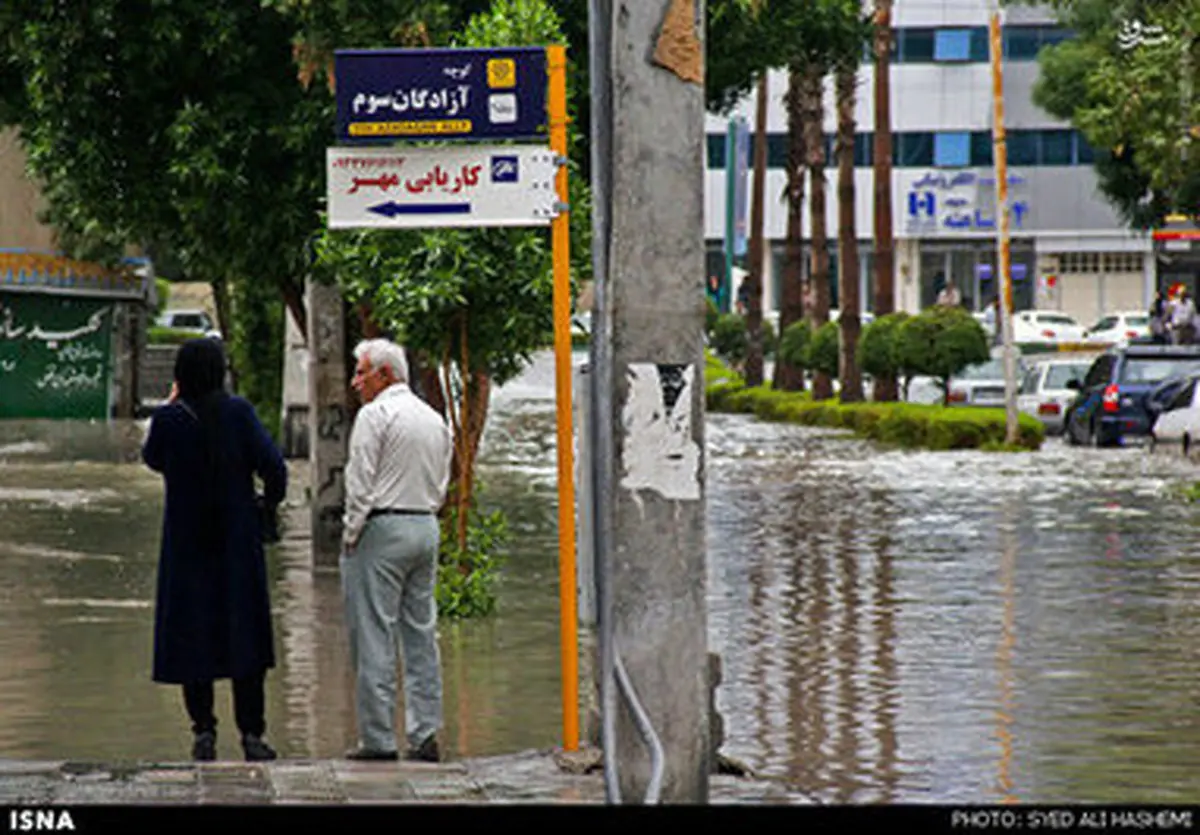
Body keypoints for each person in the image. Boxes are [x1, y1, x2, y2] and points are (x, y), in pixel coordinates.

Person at [141, 338, 287, 762]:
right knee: (244, 638)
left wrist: (170, 405)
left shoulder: (169, 420)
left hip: (186, 546)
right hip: (236, 546)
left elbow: (152, 459)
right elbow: (274, 467)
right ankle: (252, 736)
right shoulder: (238, 413)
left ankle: (204, 732)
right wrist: (266, 505)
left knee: (193, 638)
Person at [341, 338, 453, 762]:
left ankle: (378, 739)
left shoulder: (375, 415)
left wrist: (353, 534)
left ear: (385, 375)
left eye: (361, 372)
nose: (355, 382)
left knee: (373, 636)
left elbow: (360, 482)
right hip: (425, 526)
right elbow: (442, 482)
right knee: (421, 634)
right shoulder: (433, 418)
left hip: (382, 528)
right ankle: (425, 734)